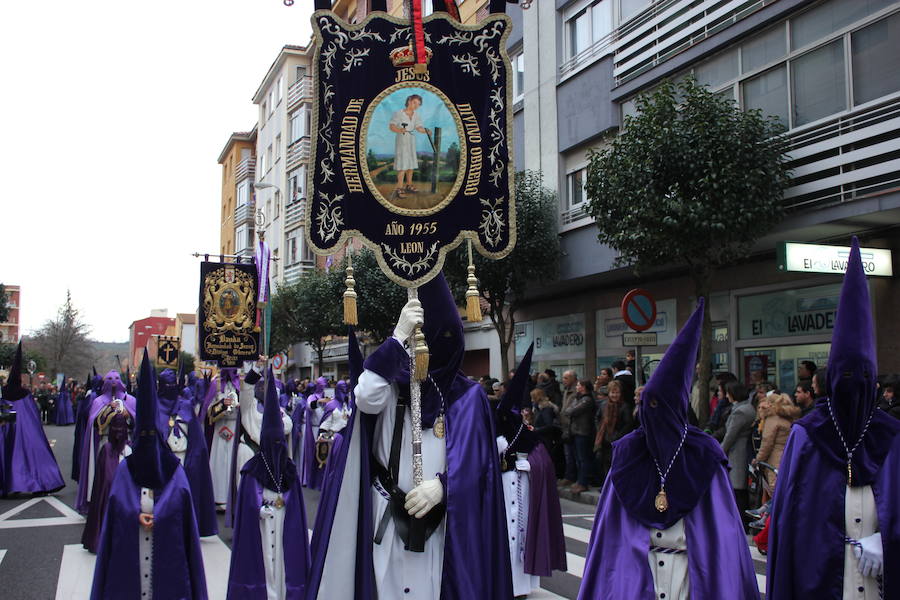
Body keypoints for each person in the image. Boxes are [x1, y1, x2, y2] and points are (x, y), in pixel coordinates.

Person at [305, 275, 512, 599]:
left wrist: (444, 486)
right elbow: (365, 396)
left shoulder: (469, 397)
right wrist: (398, 335)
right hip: (387, 516)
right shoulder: (390, 384)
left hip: (442, 524)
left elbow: (480, 463)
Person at [579, 300, 758, 599]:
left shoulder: (704, 455)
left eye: (659, 407)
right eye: (647, 405)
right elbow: (608, 536)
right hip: (637, 576)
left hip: (690, 576)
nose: (652, 414)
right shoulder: (629, 453)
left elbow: (723, 536)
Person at [767, 238, 900, 599]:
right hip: (821, 580)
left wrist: (885, 541)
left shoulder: (892, 436)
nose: (853, 388)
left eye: (862, 379)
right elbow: (790, 520)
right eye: (844, 378)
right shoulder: (808, 435)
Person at [90, 350, 207, 599]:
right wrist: (136, 514)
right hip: (130, 561)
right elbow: (117, 505)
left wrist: (160, 515)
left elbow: (180, 506)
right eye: (143, 437)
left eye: (152, 436)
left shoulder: (174, 470)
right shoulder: (126, 468)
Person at [227, 370, 310, 599]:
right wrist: (254, 371)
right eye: (261, 388)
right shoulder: (251, 410)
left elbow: (286, 428)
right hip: (254, 460)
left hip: (279, 471)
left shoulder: (282, 415)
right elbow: (245, 395)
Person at [495, 344, 567, 596]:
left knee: (523, 538)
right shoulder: (492, 435)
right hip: (501, 497)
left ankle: (522, 588)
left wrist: (530, 466)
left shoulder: (531, 438)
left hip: (525, 495)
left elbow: (544, 465)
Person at [157, 368, 217, 537]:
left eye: (172, 384)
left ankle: (185, 526)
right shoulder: (154, 406)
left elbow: (196, 438)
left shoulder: (185, 406)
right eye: (166, 384)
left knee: (182, 495)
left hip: (183, 458)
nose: (169, 387)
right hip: (163, 459)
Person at [0, 343, 65, 496]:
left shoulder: (4, 392)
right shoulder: (24, 394)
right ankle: (36, 482)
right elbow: (32, 414)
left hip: (7, 428)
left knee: (8, 454)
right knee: (31, 453)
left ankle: (9, 484)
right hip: (25, 429)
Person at [76, 369, 136, 514]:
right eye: (109, 379)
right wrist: (107, 410)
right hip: (105, 442)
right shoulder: (98, 401)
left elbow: (137, 423)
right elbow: (93, 424)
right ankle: (102, 501)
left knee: (125, 473)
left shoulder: (131, 400)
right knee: (105, 474)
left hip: (126, 442)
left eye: (116, 378)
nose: (113, 382)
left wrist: (128, 415)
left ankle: (126, 501)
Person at [746, 393, 800, 527]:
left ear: (771, 404)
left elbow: (767, 442)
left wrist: (758, 459)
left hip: (775, 459)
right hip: (788, 456)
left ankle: (765, 517)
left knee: (776, 491)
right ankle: (764, 513)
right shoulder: (788, 417)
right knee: (782, 490)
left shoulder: (772, 419)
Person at [81, 410, 131, 552]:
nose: (118, 432)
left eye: (121, 429)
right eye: (116, 428)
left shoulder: (127, 449)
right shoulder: (107, 450)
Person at [205, 367, 241, 512]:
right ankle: (218, 496)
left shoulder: (241, 383)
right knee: (219, 462)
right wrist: (222, 406)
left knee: (234, 461)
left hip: (235, 427)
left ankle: (234, 497)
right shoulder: (216, 384)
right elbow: (208, 410)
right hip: (220, 428)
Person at [720, 380, 756, 517]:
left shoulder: (740, 412)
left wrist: (719, 452)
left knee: (738, 488)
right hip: (740, 449)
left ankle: (741, 520)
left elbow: (730, 436)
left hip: (737, 452)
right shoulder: (746, 408)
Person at [389, 94, 431, 199]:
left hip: (411, 140)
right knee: (402, 165)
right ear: (409, 101)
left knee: (410, 165)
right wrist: (399, 130)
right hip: (402, 140)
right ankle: (399, 188)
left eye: (418, 104)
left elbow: (418, 128)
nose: (416, 106)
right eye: (414, 103)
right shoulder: (398, 113)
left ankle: (409, 185)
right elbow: (391, 126)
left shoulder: (416, 115)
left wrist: (426, 131)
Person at [593, 379, 634, 485]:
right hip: (604, 441)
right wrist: (600, 429)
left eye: (617, 392)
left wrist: (617, 436)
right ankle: (607, 487)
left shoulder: (625, 407)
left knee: (616, 467)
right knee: (605, 465)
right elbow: (597, 418)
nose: (614, 395)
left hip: (618, 442)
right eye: (612, 392)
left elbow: (628, 424)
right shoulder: (603, 405)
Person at [564, 379, 595, 494]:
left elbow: (572, 411)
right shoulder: (578, 398)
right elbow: (567, 410)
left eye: (578, 385)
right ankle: (579, 480)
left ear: (583, 387)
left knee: (583, 458)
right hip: (575, 431)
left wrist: (571, 409)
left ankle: (583, 482)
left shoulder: (587, 400)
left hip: (583, 431)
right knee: (577, 458)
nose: (577, 387)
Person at [300, 377, 327, 490]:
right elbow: (310, 406)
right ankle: (308, 478)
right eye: (321, 385)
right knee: (311, 454)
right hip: (313, 429)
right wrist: (319, 401)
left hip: (323, 430)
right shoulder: (313, 397)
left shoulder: (326, 397)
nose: (323, 387)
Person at [559, 370, 579, 487]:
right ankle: (569, 476)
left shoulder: (576, 391)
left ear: (573, 378)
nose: (563, 380)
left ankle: (573, 477)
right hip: (565, 427)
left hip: (573, 426)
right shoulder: (566, 391)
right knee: (568, 454)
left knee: (575, 455)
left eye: (566, 378)